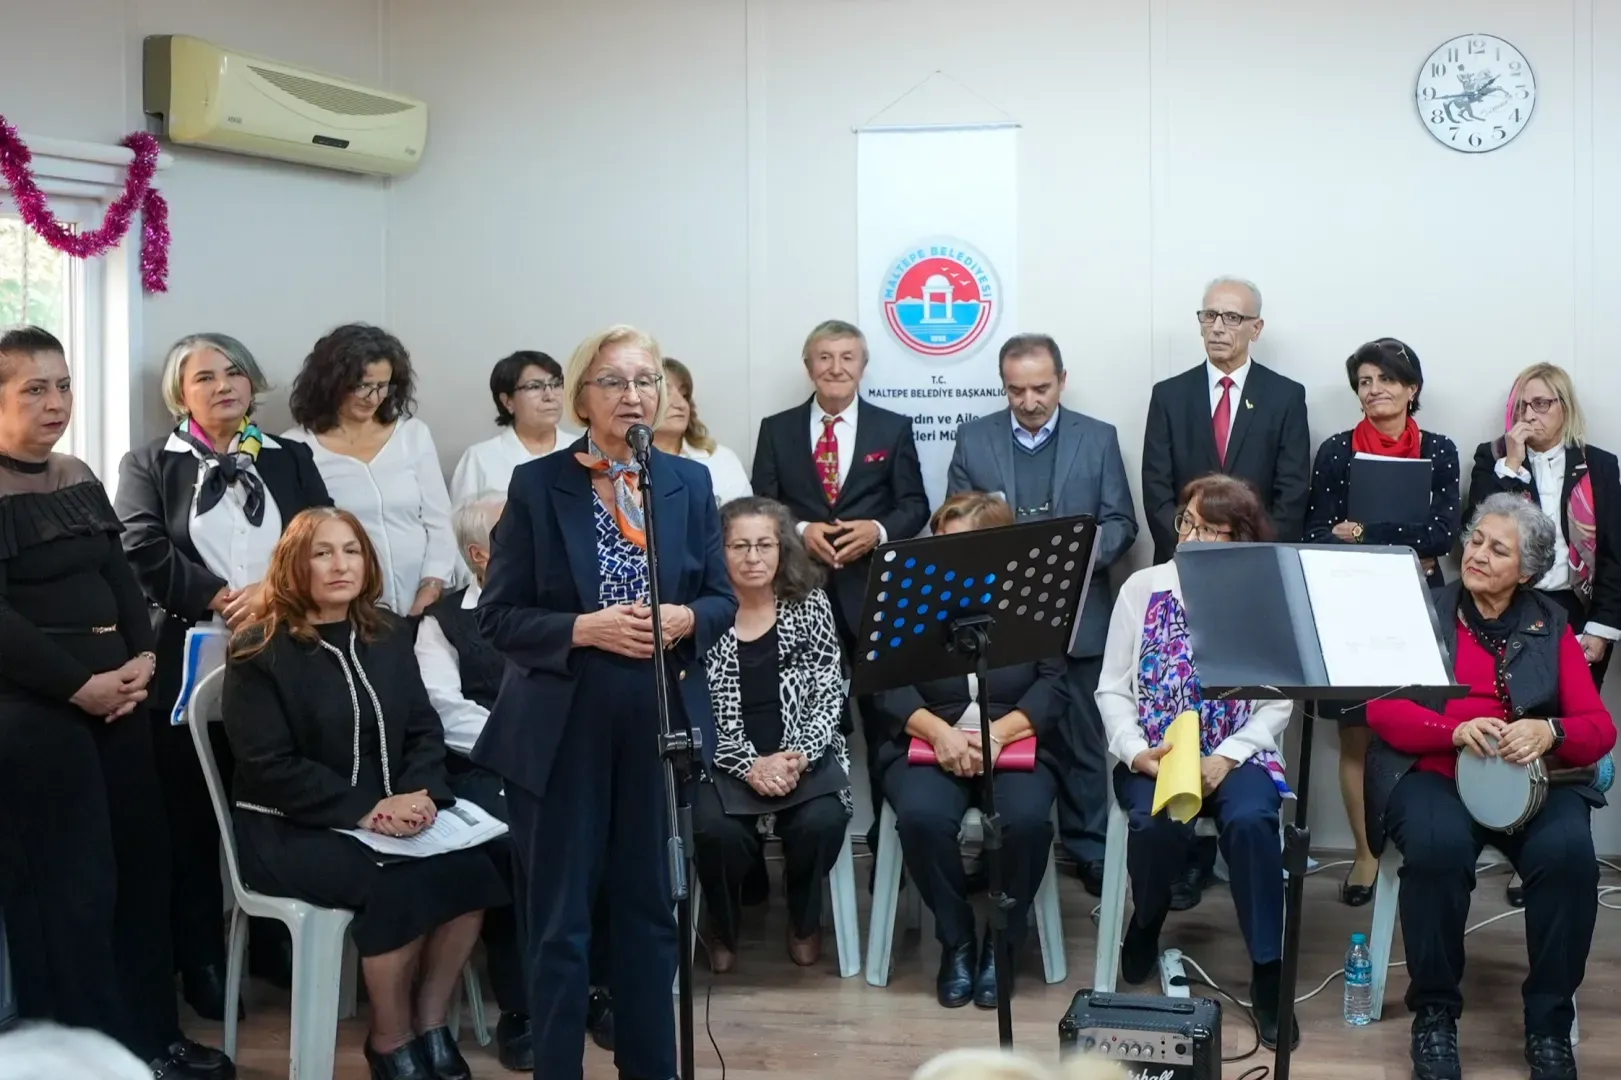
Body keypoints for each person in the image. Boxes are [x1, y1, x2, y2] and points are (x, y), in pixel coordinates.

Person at [474, 325, 736, 1080]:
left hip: (658, 715)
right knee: (560, 920)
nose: (633, 396)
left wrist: (685, 618)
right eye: (614, 382)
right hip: (563, 721)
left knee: (650, 911)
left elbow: (720, 599)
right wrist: (581, 628)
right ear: (582, 397)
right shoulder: (538, 484)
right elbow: (498, 619)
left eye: (646, 381)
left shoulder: (688, 483)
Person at [0, 326, 233, 1079]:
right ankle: (86, 1055)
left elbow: (121, 576)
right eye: (35, 388)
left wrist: (142, 659)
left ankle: (153, 1038)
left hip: (121, 701)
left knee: (143, 869)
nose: (56, 402)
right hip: (35, 714)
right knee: (76, 890)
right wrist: (79, 685)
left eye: (63, 385)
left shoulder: (76, 473)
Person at [223, 507, 506, 1080]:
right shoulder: (259, 648)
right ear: (294, 565)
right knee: (396, 886)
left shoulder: (387, 633)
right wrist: (367, 809)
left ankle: (430, 1024)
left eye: (351, 551)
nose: (340, 565)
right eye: (322, 553)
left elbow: (423, 728)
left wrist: (421, 793)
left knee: (474, 868)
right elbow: (268, 766)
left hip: (390, 819)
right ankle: (389, 1039)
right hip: (288, 826)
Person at [115, 331, 331, 1017]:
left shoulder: (290, 457)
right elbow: (140, 545)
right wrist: (218, 596)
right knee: (188, 822)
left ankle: (272, 945)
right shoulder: (150, 462)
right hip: (184, 660)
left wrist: (273, 594)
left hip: (285, 653)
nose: (223, 385)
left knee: (275, 804)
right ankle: (202, 959)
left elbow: (323, 537)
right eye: (204, 377)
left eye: (234, 372)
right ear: (180, 393)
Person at [1365, 493, 1612, 1080]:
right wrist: (1452, 731)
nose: (1477, 554)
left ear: (1526, 571)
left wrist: (1550, 732)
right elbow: (1381, 708)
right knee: (1436, 850)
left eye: (1498, 550)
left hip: (1530, 785)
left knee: (1570, 857)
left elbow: (1599, 729)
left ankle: (1549, 1025)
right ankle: (1434, 1016)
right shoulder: (1424, 611)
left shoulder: (1553, 625)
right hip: (1434, 774)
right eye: (1475, 540)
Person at [1095, 474, 1296, 1051]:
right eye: (1187, 523)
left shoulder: (1260, 596)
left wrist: (1227, 757)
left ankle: (1268, 969)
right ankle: (1147, 918)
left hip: (1239, 751)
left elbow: (1279, 698)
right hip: (1157, 751)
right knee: (1153, 823)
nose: (1191, 537)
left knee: (1252, 822)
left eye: (1211, 530)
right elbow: (1112, 688)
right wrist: (1135, 750)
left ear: (1239, 538)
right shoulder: (1143, 588)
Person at [946, 333, 1138, 895]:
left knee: (1082, 739)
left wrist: (1071, 562)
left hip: (1080, 612)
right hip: (996, 622)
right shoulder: (974, 438)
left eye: (1041, 388)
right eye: (1016, 391)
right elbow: (956, 523)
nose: (1029, 401)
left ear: (1062, 380)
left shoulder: (1097, 438)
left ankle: (1090, 848)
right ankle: (997, 848)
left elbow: (1121, 522)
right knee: (996, 734)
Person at [1140, 276, 1309, 910]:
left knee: (1238, 704)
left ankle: (1240, 860)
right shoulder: (1171, 394)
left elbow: (1292, 491)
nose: (1218, 327)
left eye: (1232, 318)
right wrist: (1193, 554)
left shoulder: (1285, 397)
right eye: (1209, 315)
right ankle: (1184, 858)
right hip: (1181, 575)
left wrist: (1243, 564)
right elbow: (1155, 485)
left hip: (1253, 582)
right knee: (1178, 704)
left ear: (1255, 328)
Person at [874, 493, 1064, 1010]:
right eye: (941, 544)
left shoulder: (1034, 598)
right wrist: (940, 733)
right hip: (928, 737)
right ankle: (956, 938)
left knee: (1027, 822)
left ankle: (1003, 943)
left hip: (1014, 737)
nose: (946, 556)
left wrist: (998, 735)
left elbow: (1053, 687)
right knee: (921, 819)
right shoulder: (907, 598)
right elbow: (884, 686)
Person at [752, 319, 930, 849]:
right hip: (799, 595)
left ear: (863, 365)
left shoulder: (891, 428)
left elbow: (914, 505)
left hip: (872, 596)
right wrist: (800, 531)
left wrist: (876, 531)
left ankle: (885, 838)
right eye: (825, 357)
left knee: (884, 721)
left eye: (847, 357)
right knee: (800, 714)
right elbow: (761, 505)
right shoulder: (777, 429)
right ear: (808, 365)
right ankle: (800, 833)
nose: (836, 368)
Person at [1302, 338, 1461, 907]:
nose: (1374, 390)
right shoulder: (1336, 451)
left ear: (1411, 388)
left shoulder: (1439, 450)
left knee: (1417, 725)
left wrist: (1364, 531)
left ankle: (1414, 848)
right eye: (1365, 382)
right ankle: (1366, 854)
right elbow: (1315, 532)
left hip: (1419, 601)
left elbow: (1442, 535)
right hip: (1349, 602)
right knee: (1357, 731)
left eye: (1386, 379)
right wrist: (1395, 539)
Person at [693, 496, 850, 973]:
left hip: (801, 756)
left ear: (782, 548)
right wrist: (750, 765)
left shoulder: (810, 603)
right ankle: (723, 923)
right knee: (714, 831)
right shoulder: (701, 613)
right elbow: (694, 710)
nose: (753, 557)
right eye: (739, 546)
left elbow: (829, 690)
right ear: (718, 552)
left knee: (820, 823)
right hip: (722, 761)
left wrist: (799, 754)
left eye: (764, 544)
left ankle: (804, 918)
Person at [1464, 363, 1621, 689]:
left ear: (1565, 407)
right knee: (1511, 708)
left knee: (1575, 710)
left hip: (1577, 608)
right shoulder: (1491, 458)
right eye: (1520, 406)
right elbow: (1475, 533)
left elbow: (1613, 553)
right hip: (1510, 604)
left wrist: (1601, 628)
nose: (1528, 415)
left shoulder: (1599, 465)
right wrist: (1511, 465)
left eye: (1540, 404)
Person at [282, 324, 456, 616]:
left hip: (423, 601)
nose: (373, 398)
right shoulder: (297, 447)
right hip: (346, 609)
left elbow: (440, 521)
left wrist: (432, 585)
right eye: (362, 386)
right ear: (331, 383)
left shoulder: (412, 435)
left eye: (382, 386)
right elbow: (298, 543)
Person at [450, 350, 580, 505]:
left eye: (556, 384)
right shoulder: (480, 458)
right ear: (507, 401)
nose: (550, 396)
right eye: (534, 387)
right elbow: (461, 519)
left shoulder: (582, 451)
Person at [653, 358, 752, 506]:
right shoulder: (625, 464)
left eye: (684, 395)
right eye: (666, 394)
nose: (680, 404)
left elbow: (743, 516)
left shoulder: (720, 459)